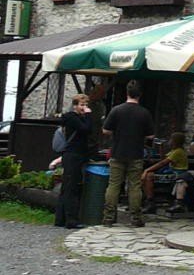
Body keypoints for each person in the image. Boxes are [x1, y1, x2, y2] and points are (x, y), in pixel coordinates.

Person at [101, 80, 155, 227]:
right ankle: (136, 217)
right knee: (134, 186)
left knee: (113, 185)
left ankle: (108, 217)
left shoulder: (116, 110)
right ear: (140, 95)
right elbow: (150, 136)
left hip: (117, 152)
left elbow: (105, 130)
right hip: (136, 153)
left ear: (127, 93)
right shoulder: (144, 113)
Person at [54, 94, 92, 229]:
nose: (84, 108)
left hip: (75, 154)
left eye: (86, 105)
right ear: (75, 105)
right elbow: (86, 129)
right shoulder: (72, 117)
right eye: (82, 105)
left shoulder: (76, 118)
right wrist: (88, 116)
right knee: (71, 187)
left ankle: (60, 218)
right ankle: (71, 220)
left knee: (67, 186)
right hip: (73, 155)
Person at [140, 132, 188, 214]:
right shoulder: (174, 151)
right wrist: (161, 148)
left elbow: (163, 163)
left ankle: (150, 201)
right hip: (171, 171)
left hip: (177, 173)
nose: (169, 141)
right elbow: (163, 159)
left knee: (149, 176)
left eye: (171, 139)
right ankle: (145, 199)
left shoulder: (178, 151)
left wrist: (147, 170)